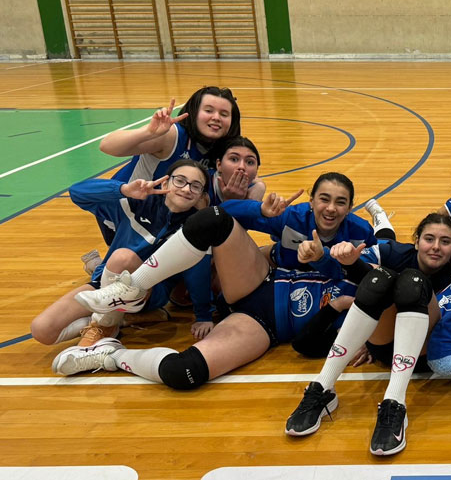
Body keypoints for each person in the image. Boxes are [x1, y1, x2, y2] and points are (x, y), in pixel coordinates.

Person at [51, 172, 375, 394]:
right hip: (260, 279)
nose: (330, 208)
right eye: (324, 199)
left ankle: (110, 355)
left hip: (262, 326)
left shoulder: (364, 326)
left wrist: (352, 329)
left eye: (340, 202)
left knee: (185, 372)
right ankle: (133, 286)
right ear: (313, 200)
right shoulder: (370, 268)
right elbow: (225, 210)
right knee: (213, 220)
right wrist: (268, 218)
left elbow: (305, 344)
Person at [284, 192, 451, 455]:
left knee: (413, 281)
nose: (436, 247)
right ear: (416, 242)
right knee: (379, 278)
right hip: (385, 346)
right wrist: (340, 260)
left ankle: (395, 401)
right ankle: (323, 387)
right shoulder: (395, 252)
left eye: (445, 241)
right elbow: (357, 271)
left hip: (428, 353)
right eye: (429, 239)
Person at [31, 160, 213, 348]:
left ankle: (106, 325)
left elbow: (198, 273)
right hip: (105, 282)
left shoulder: (194, 226)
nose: (186, 189)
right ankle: (121, 319)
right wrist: (124, 190)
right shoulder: (136, 205)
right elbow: (77, 193)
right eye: (180, 181)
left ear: (202, 195)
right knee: (42, 330)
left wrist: (203, 316)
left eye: (195, 186)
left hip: (150, 292)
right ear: (165, 183)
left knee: (122, 259)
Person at [82, 87, 241, 271]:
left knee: (251, 189)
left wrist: (232, 198)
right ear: (194, 112)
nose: (216, 117)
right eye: (209, 110)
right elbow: (107, 146)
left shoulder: (223, 151)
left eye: (224, 114)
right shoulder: (172, 136)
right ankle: (103, 268)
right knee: (145, 274)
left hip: (166, 216)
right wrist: (148, 132)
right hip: (125, 213)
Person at [207, 136, 266, 206]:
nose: (242, 167)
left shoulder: (254, 192)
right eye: (234, 159)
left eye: (250, 162)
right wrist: (232, 202)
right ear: (219, 165)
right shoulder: (203, 186)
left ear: (256, 171)